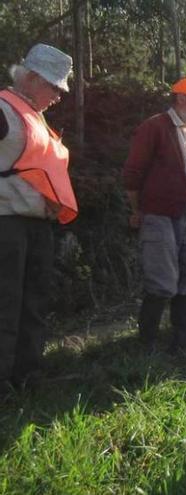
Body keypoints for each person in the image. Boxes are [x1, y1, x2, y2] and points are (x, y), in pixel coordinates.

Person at [0, 44, 76, 390]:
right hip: (7, 223)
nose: (59, 96)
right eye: (55, 87)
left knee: (34, 302)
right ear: (31, 78)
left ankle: (27, 376)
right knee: (6, 303)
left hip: (36, 225)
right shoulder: (4, 109)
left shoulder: (34, 114)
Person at [123, 77, 186, 353]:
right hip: (158, 214)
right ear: (182, 98)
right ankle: (147, 344)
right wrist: (137, 210)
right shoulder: (153, 127)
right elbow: (132, 174)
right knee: (162, 279)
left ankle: (182, 340)